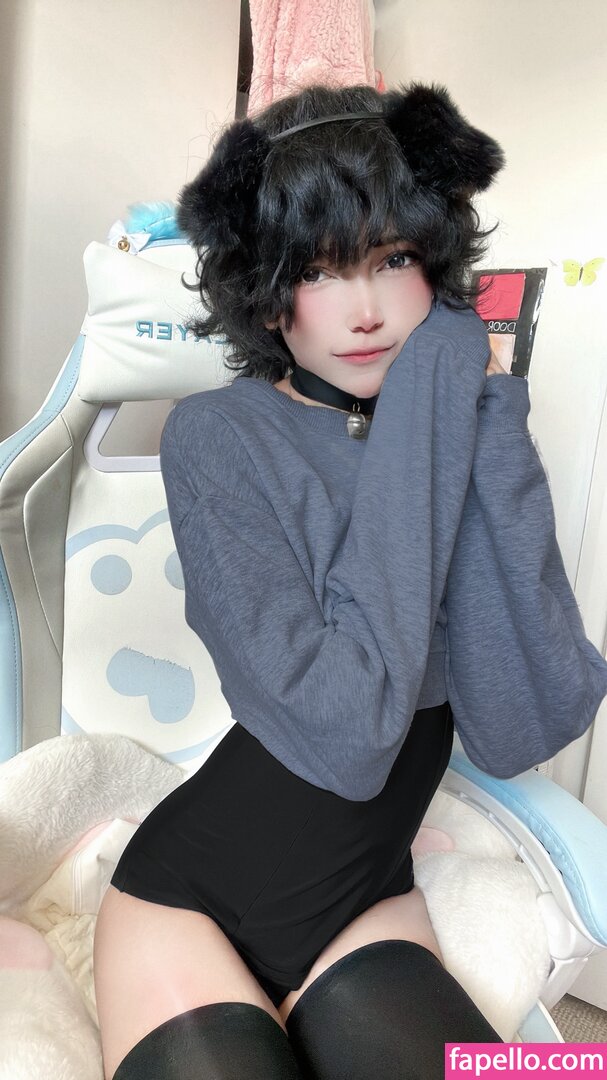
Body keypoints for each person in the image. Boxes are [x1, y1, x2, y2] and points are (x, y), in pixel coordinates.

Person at [92, 82, 575, 1080]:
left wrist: (480, 414)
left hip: (365, 901)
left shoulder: (449, 423)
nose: (364, 311)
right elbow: (347, 736)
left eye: (392, 258)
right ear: (270, 292)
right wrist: (433, 394)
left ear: (434, 260)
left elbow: (528, 714)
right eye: (318, 270)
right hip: (194, 902)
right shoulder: (219, 437)